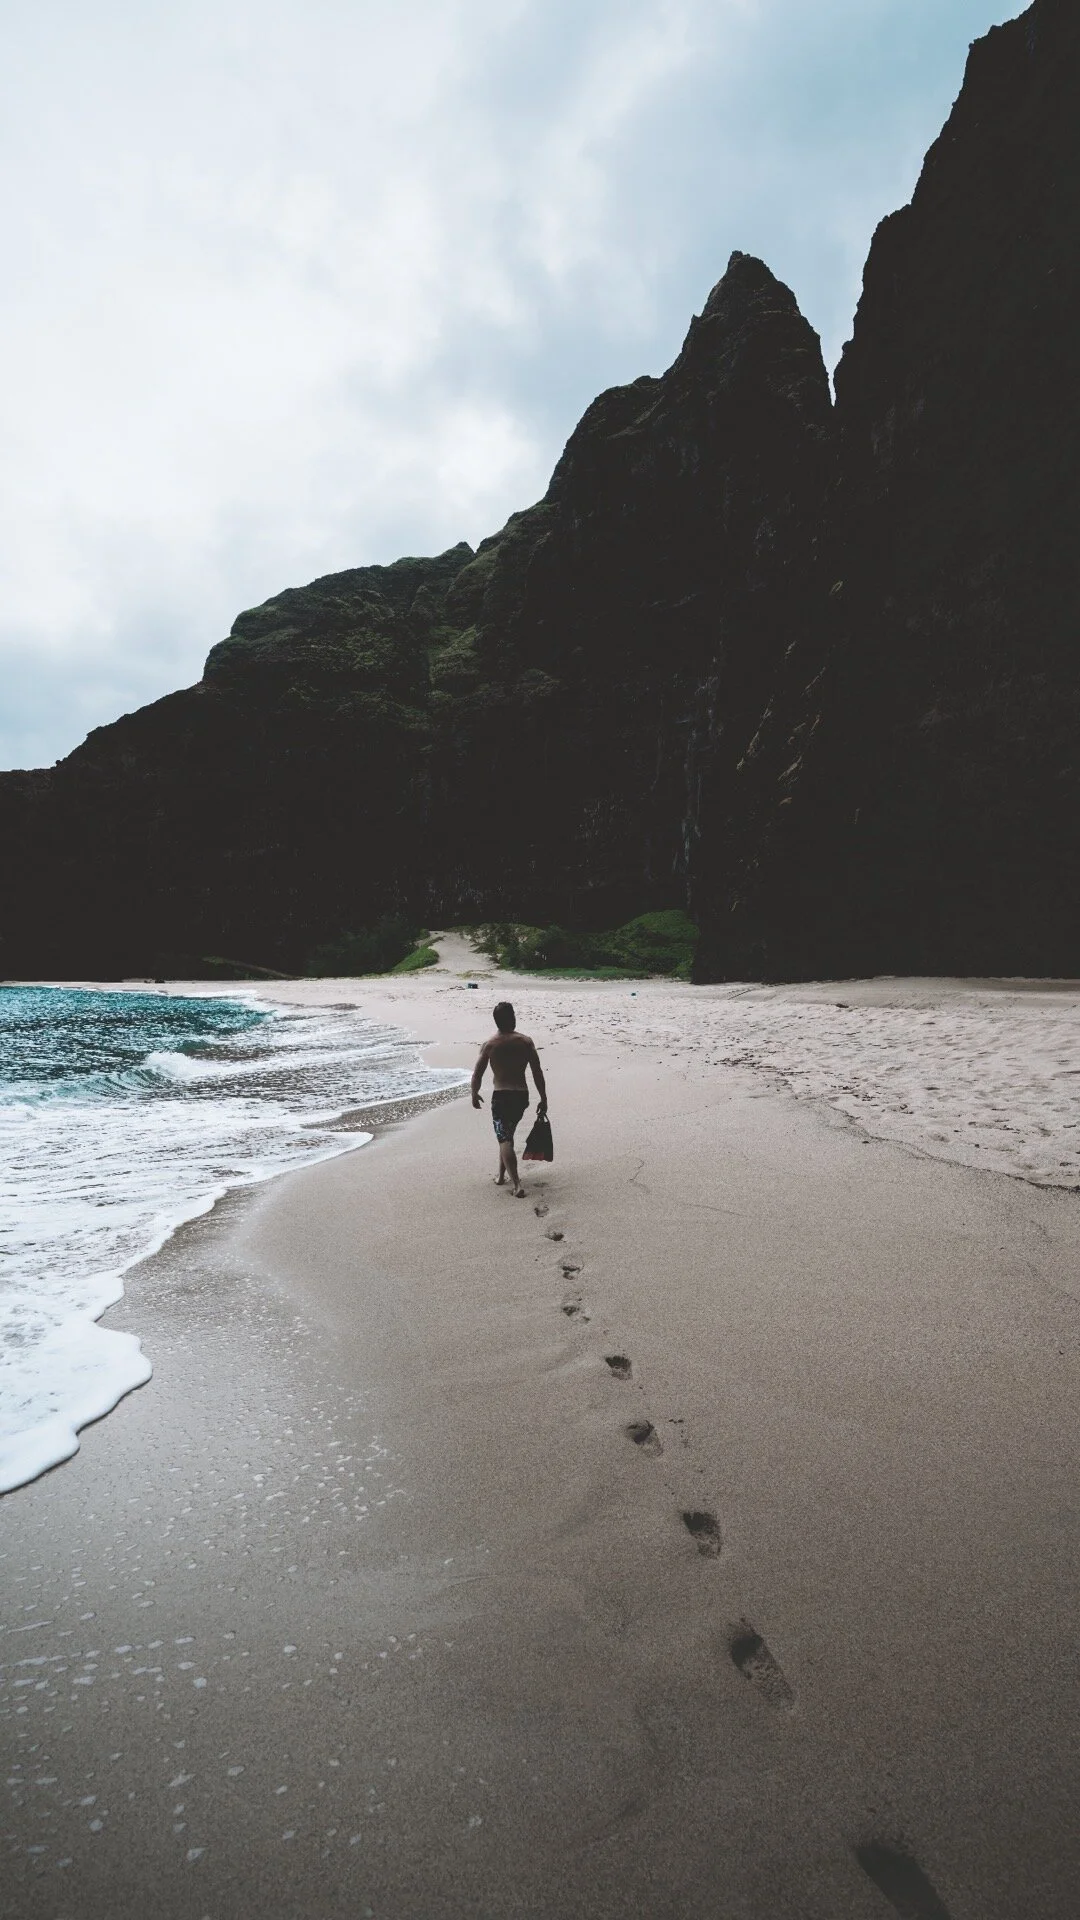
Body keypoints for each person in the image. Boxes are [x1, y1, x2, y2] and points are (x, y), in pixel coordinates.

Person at [471, 1001, 547, 1197]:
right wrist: (543, 1097)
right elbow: (537, 1071)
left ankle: (517, 1184)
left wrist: (474, 1092)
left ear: (496, 1021)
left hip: (501, 1096)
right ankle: (501, 1176)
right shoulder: (525, 1041)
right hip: (521, 1096)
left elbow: (477, 1074)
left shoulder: (490, 1045)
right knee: (506, 1135)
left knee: (504, 1138)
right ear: (512, 1018)